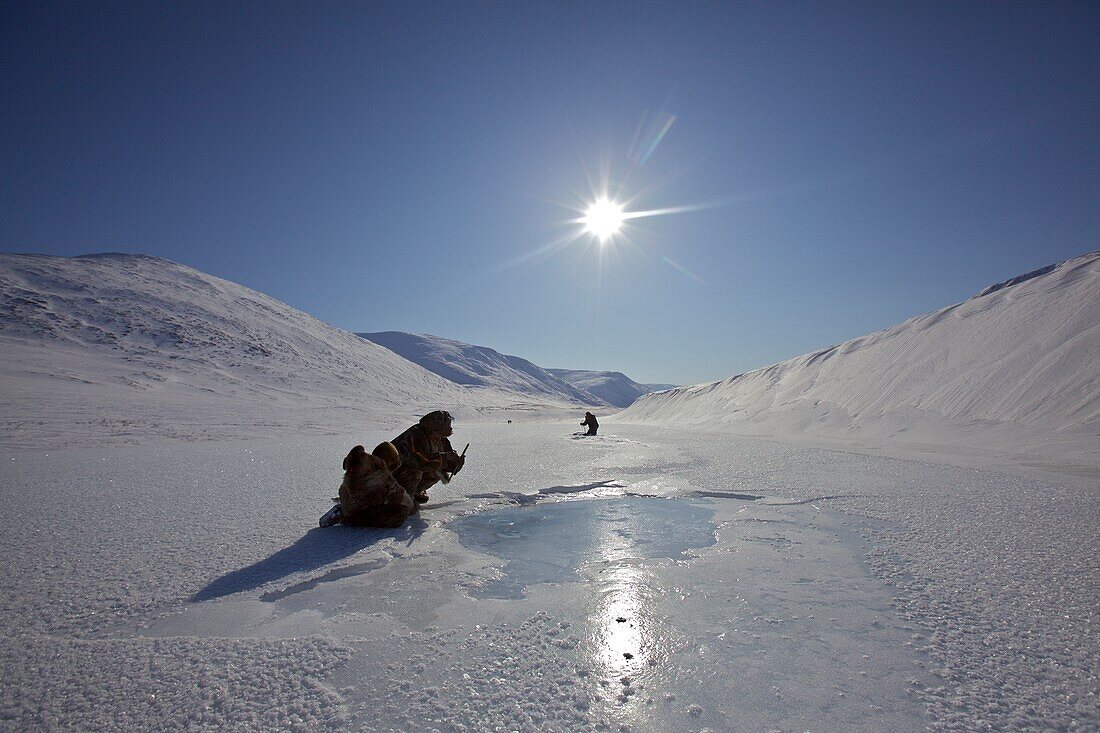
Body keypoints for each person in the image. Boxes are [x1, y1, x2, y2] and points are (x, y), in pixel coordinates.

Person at [391, 410, 465, 504]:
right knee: (416, 470)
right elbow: (419, 461)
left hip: (413, 471)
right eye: (439, 433)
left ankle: (416, 491)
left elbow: (446, 463)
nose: (440, 437)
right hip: (393, 474)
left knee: (439, 471)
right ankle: (401, 498)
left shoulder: (441, 439)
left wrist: (455, 463)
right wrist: (445, 457)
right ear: (431, 429)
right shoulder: (415, 435)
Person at [338, 441, 417, 528]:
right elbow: (401, 497)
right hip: (361, 510)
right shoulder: (383, 476)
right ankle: (352, 520)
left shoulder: (360, 465)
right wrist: (413, 506)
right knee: (400, 512)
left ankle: (346, 512)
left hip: (349, 502)